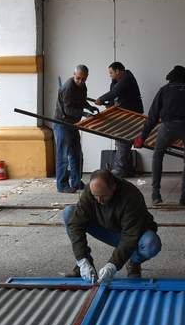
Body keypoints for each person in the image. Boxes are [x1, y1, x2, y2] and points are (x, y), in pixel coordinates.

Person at [64, 169, 161, 282]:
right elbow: (76, 224)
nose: (99, 200)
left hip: (133, 234)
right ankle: (88, 264)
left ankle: (134, 262)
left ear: (114, 187)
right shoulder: (90, 191)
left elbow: (130, 236)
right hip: (105, 227)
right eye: (95, 196)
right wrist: (82, 260)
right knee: (69, 213)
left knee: (151, 243)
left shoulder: (132, 196)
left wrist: (112, 265)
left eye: (103, 195)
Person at [133, 65, 185, 206]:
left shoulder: (164, 90)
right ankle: (184, 198)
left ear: (169, 80)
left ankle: (155, 195)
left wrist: (142, 138)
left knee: (158, 155)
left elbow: (152, 118)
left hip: (169, 127)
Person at [94, 62, 145, 177]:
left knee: (123, 140)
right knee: (126, 140)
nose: (110, 75)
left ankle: (121, 168)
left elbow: (116, 92)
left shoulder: (127, 78)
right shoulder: (117, 81)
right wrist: (110, 105)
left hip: (130, 114)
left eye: (111, 72)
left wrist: (101, 99)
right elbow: (115, 94)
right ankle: (128, 167)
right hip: (126, 113)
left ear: (118, 71)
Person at [53, 65, 95, 193]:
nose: (80, 81)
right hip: (62, 123)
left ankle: (76, 182)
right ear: (74, 74)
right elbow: (68, 109)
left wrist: (89, 108)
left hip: (72, 124)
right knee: (63, 156)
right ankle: (62, 185)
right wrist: (84, 114)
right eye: (78, 78)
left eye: (83, 79)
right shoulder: (68, 87)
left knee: (77, 155)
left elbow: (81, 101)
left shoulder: (82, 87)